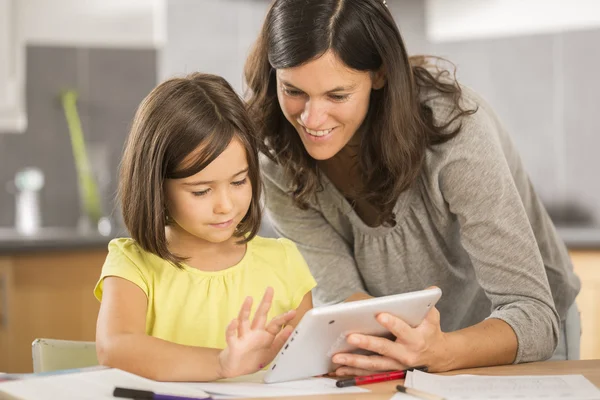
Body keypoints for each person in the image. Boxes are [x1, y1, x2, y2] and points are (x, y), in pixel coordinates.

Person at [244, 0, 581, 375]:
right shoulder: (275, 159)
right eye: (294, 91)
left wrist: (440, 350)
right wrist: (387, 350)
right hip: (415, 351)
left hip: (516, 335)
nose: (311, 118)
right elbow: (343, 299)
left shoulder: (453, 131)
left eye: (337, 96)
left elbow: (534, 315)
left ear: (380, 74)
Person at [94, 72, 316, 382]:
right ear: (156, 185)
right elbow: (114, 347)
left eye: (239, 181)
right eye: (201, 190)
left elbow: (310, 362)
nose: (225, 205)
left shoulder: (284, 261)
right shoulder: (132, 264)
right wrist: (222, 364)